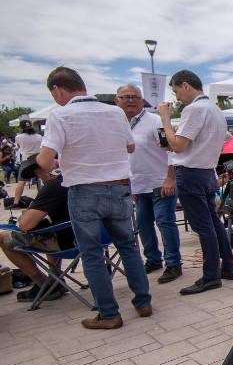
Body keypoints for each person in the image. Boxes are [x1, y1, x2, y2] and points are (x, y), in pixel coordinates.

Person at [36, 67, 152, 329]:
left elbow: (44, 160)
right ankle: (143, 302)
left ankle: (109, 314)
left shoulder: (60, 115)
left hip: (85, 190)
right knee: (128, 246)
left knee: (91, 253)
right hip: (119, 186)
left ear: (58, 89)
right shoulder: (114, 111)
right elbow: (130, 145)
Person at [159, 70, 233, 295]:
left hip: (191, 173)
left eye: (176, 91)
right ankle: (228, 267)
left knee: (204, 227)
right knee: (213, 223)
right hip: (206, 172)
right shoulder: (214, 109)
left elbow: (178, 146)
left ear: (185, 85)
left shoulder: (194, 109)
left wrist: (165, 119)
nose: (176, 97)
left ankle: (211, 275)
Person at [116, 84, 182, 284]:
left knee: (165, 222)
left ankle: (173, 264)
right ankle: (153, 259)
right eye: (125, 97)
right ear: (116, 100)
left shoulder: (155, 122)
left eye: (135, 97)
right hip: (137, 185)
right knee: (144, 225)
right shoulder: (118, 124)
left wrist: (170, 178)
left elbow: (170, 150)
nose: (130, 100)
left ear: (142, 100)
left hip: (160, 183)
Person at [0, 158, 72, 303]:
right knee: (45, 227)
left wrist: (27, 213)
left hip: (69, 243)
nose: (38, 179)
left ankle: (45, 284)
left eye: (36, 175)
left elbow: (25, 225)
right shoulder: (74, 177)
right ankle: (56, 277)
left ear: (41, 170)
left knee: (3, 238)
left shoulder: (53, 186)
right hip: (94, 238)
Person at [13, 120, 43, 207]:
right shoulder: (39, 136)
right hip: (38, 158)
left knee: (21, 181)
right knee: (43, 179)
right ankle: (46, 198)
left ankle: (16, 203)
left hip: (26, 159)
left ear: (21, 127)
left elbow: (18, 147)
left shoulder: (19, 137)